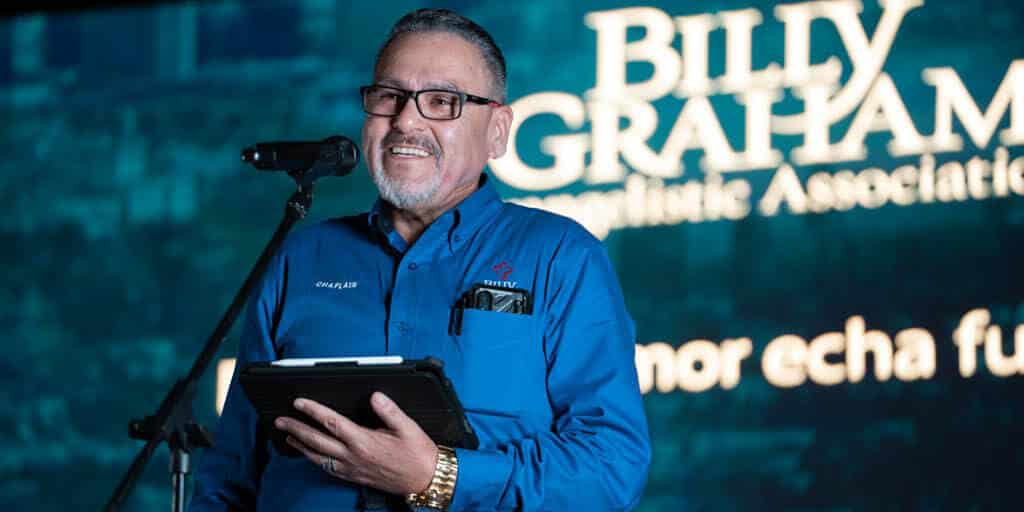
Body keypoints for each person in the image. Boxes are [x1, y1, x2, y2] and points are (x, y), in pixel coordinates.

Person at [190, 8, 650, 511]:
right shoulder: (302, 255)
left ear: (497, 130)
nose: (406, 121)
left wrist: (439, 476)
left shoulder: (561, 257)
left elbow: (611, 469)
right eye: (389, 96)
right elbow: (229, 476)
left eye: (441, 101)